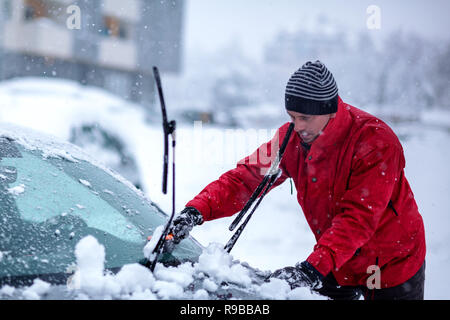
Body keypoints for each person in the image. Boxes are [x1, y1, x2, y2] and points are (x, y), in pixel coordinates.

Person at [168, 61, 426, 300]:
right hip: (337, 262)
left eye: (305, 118)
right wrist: (195, 211)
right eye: (292, 116)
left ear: (329, 110)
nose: (297, 125)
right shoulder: (291, 139)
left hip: (391, 265)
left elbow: (358, 218)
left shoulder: (374, 141)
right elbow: (245, 180)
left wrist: (312, 269)